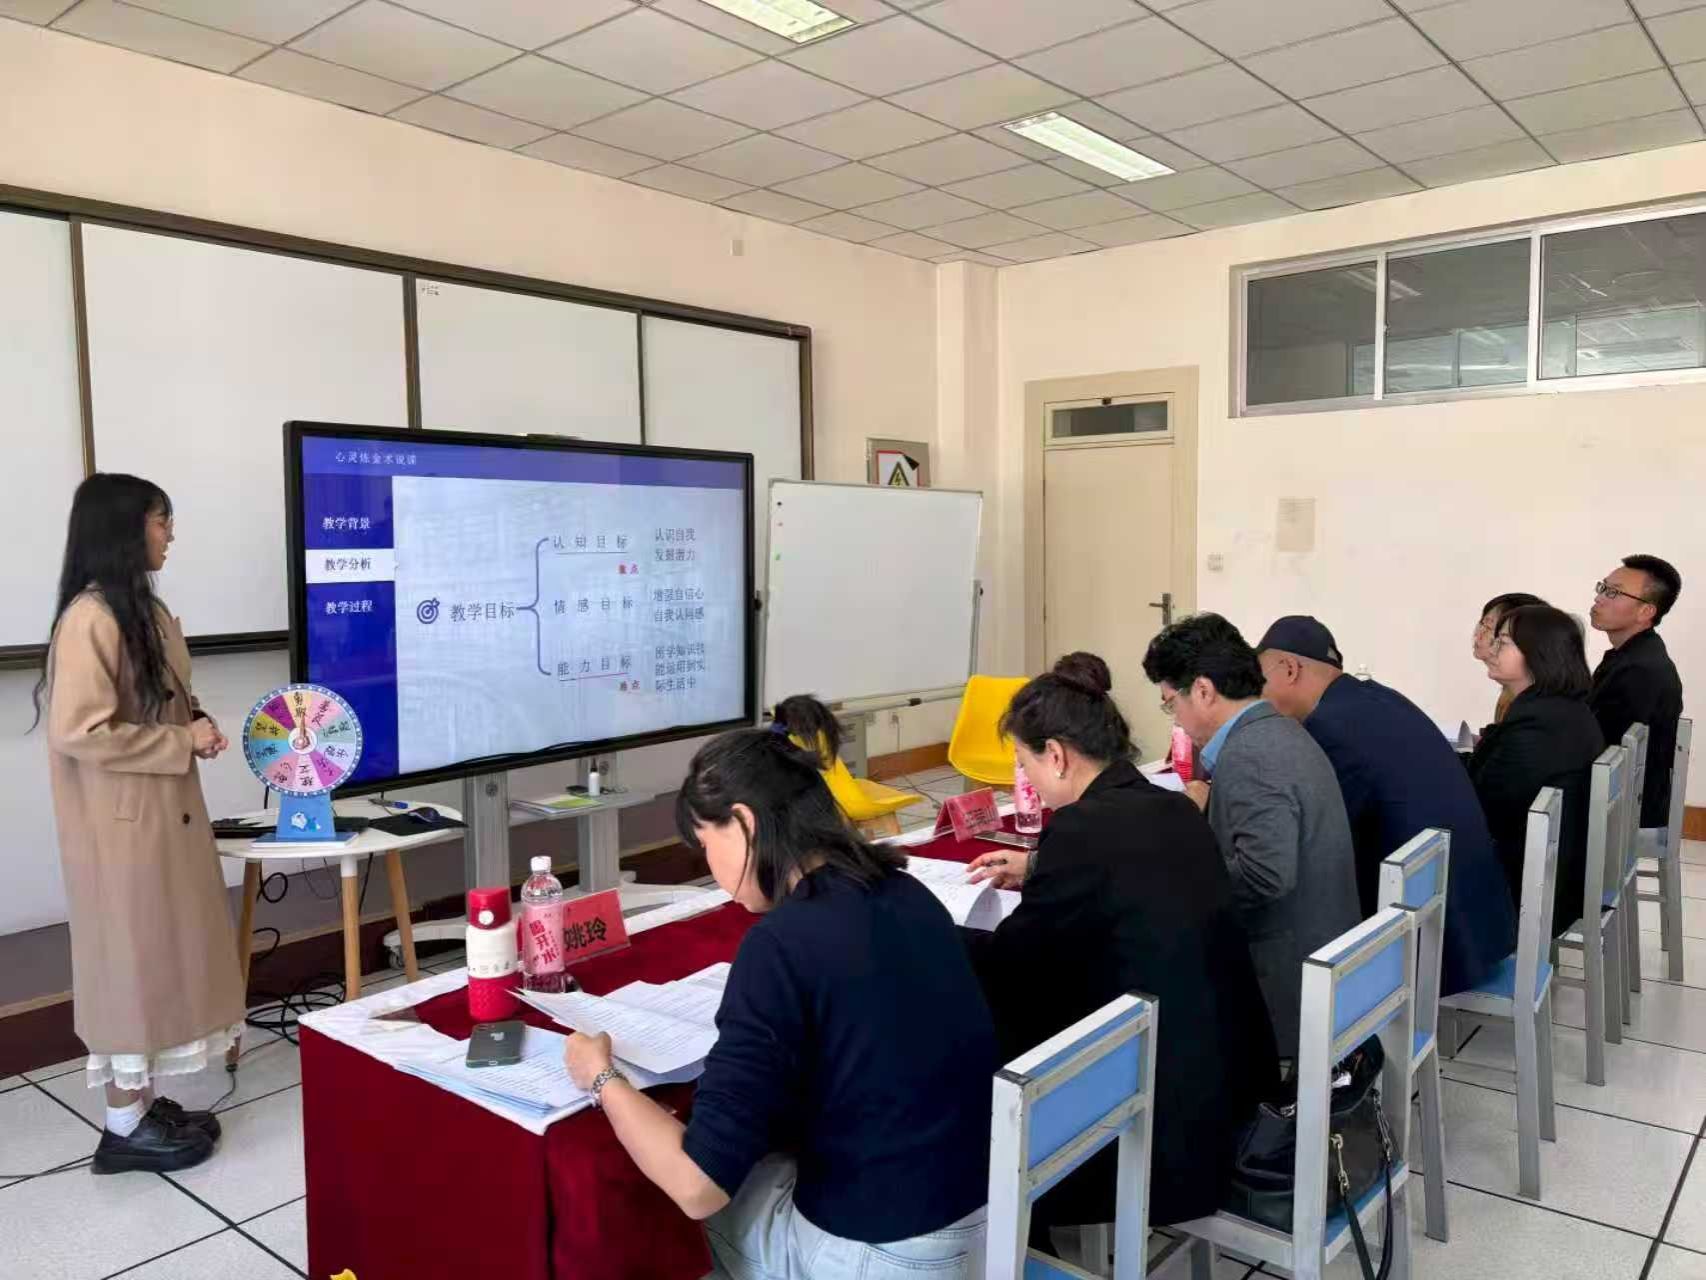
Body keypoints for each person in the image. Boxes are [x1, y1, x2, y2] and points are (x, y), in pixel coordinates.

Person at [563, 731, 997, 1280]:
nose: (712, 868)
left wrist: (600, 1077)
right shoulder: (905, 890)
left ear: (743, 823)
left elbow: (697, 1185)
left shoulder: (781, 944)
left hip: (884, 1250)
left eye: (706, 844)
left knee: (664, 1201)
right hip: (981, 1217)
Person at [961, 653, 1277, 1231]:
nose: (1030, 783)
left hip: (1160, 1131)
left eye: (1026, 765)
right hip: (1232, 1092)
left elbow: (1014, 964)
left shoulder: (1079, 830)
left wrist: (949, 935)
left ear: (1057, 755)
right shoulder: (1175, 808)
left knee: (977, 1061)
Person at [36, 474, 241, 1174]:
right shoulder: (91, 618)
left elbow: (159, 698)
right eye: (161, 520)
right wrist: (181, 739)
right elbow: (79, 730)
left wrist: (195, 723)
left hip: (160, 816)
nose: (170, 533)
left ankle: (143, 1106)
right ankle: (122, 1124)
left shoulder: (141, 608)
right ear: (124, 529)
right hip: (122, 828)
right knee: (130, 966)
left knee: (161, 960)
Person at [1257, 617, 1516, 995]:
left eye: (1259, 679)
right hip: (1477, 922)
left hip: (1435, 947)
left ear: (1290, 669)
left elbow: (1321, 841)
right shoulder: (1378, 698)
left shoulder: (1329, 727)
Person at [1141, 614, 1359, 1059]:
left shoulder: (1251, 754)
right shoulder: (1279, 728)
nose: (1176, 720)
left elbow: (1265, 876)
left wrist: (1174, 879)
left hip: (1286, 985)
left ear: (1204, 691)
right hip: (1323, 952)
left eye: (1171, 704)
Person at [1470, 605, 1604, 930]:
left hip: (1525, 888)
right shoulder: (1559, 709)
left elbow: (1484, 806)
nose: (1492, 650)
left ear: (1538, 654)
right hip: (1550, 871)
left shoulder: (1538, 725)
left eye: (1503, 643)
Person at [1588, 556, 1684, 833]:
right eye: (1602, 587)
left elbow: (1603, 751)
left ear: (1646, 611)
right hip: (1618, 793)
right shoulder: (1632, 655)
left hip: (1627, 807)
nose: (1599, 598)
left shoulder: (1639, 670)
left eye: (1613, 592)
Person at [1475, 593, 1548, 725]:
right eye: (1481, 623)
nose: (1478, 634)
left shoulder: (1537, 705)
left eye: (1488, 627)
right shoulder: (1510, 692)